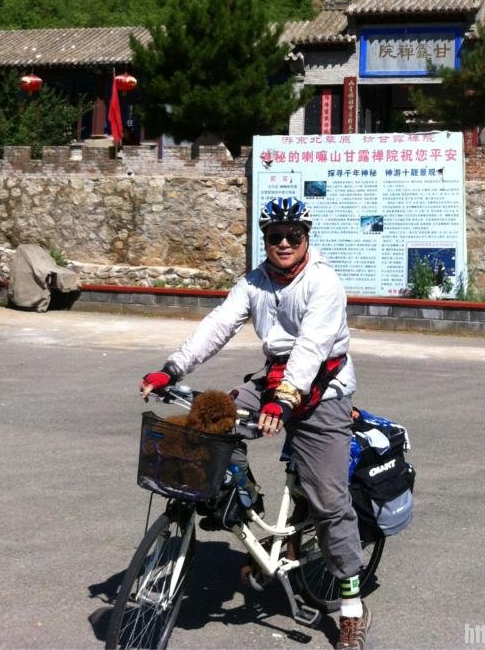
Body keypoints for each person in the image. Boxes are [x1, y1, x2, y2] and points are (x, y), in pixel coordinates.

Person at [140, 196, 372, 650]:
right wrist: (172, 368)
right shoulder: (254, 282)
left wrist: (284, 400)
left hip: (322, 388)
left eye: (293, 236)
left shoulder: (323, 282)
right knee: (206, 425)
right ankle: (251, 512)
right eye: (274, 236)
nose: (283, 243)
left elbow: (311, 348)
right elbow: (218, 325)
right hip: (273, 381)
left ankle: (351, 606)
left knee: (328, 502)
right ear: (264, 239)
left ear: (307, 238)